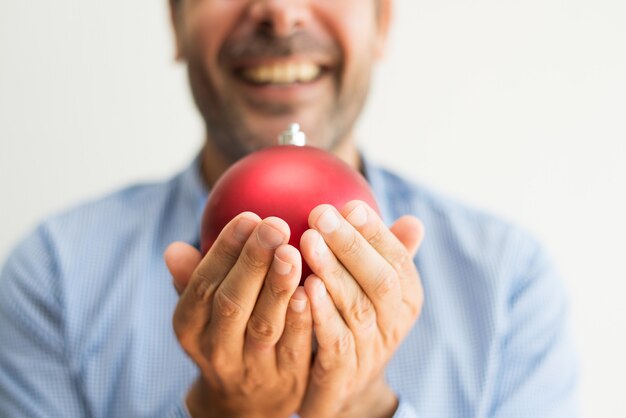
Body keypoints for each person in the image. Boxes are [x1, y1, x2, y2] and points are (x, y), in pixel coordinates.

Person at [0, 0, 579, 417]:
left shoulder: (508, 282)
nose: (281, 11)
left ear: (384, 20)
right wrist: (224, 414)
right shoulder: (56, 275)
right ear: (174, 20)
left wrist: (366, 408)